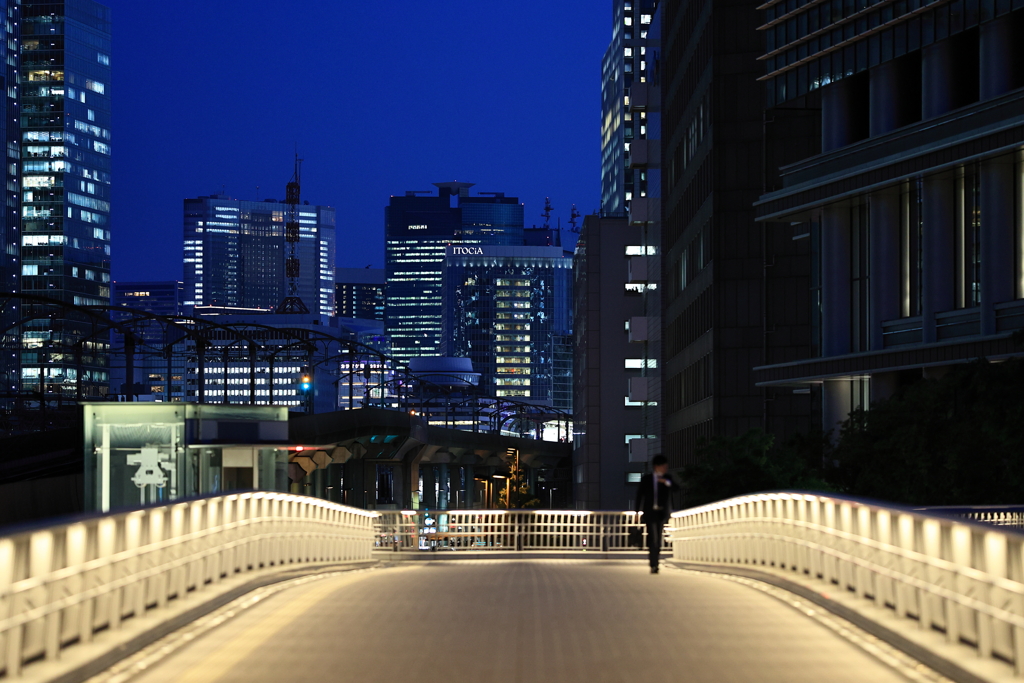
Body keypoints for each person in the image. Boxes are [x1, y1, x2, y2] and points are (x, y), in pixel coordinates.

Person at [635, 455, 679, 574]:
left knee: (658, 538)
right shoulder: (647, 479)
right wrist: (637, 512)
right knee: (653, 537)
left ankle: (655, 562)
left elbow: (676, 488)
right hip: (650, 512)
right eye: (664, 466)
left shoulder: (667, 478)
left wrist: (666, 482)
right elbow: (640, 496)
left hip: (661, 512)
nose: (666, 469)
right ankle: (653, 563)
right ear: (656, 467)